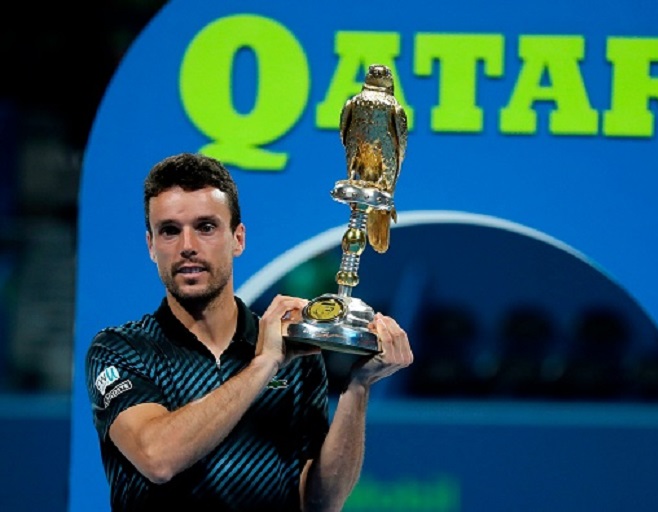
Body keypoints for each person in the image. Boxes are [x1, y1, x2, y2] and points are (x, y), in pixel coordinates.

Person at [84, 152, 413, 511]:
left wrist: (358, 389)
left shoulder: (295, 353)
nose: (187, 246)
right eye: (170, 231)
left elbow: (319, 502)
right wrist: (262, 366)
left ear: (238, 239)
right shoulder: (121, 350)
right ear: (151, 245)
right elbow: (157, 458)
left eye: (206, 227)